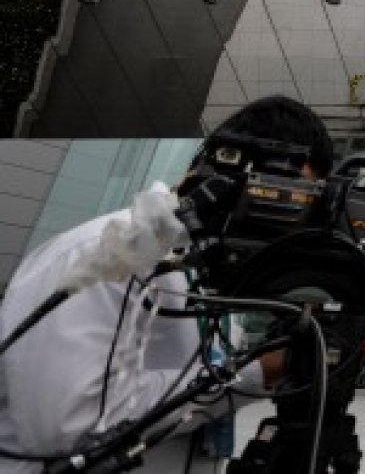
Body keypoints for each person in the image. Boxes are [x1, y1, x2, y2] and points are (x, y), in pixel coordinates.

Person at [0, 96, 336, 473]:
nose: (288, 219)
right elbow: (72, 427)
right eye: (282, 197)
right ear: (230, 165)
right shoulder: (103, 253)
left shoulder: (208, 267)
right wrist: (253, 372)